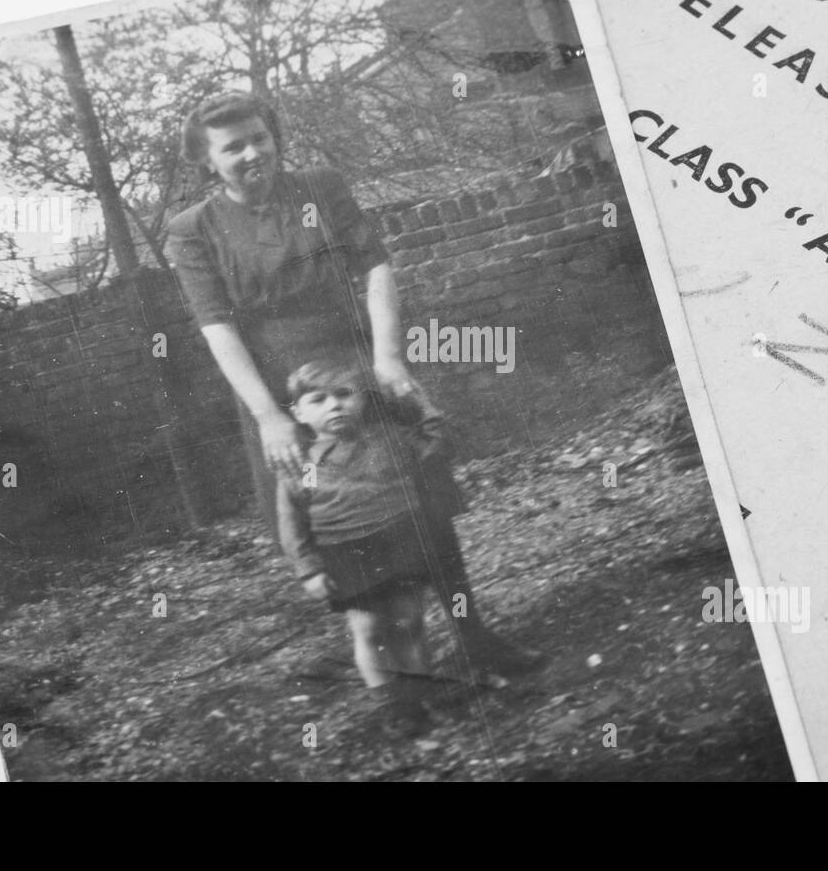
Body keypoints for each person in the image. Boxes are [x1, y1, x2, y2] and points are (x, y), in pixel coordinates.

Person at [165, 90, 545, 679]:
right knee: (336, 511)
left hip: (358, 366)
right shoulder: (193, 230)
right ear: (207, 160)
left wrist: (390, 360)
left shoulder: (319, 186)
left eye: (259, 138)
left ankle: (474, 639)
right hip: (286, 391)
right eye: (233, 147)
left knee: (420, 497)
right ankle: (392, 673)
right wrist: (270, 416)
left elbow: (375, 265)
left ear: (275, 138)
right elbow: (217, 328)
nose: (251, 153)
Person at [275, 359, 442, 735]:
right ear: (299, 413)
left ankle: (417, 695)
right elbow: (293, 521)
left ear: (363, 400)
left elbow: (435, 446)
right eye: (318, 399)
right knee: (368, 629)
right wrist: (310, 569)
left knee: (410, 620)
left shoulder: (390, 439)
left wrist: (423, 406)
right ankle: (391, 704)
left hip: (400, 539)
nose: (334, 405)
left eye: (343, 395)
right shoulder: (304, 463)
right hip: (344, 551)